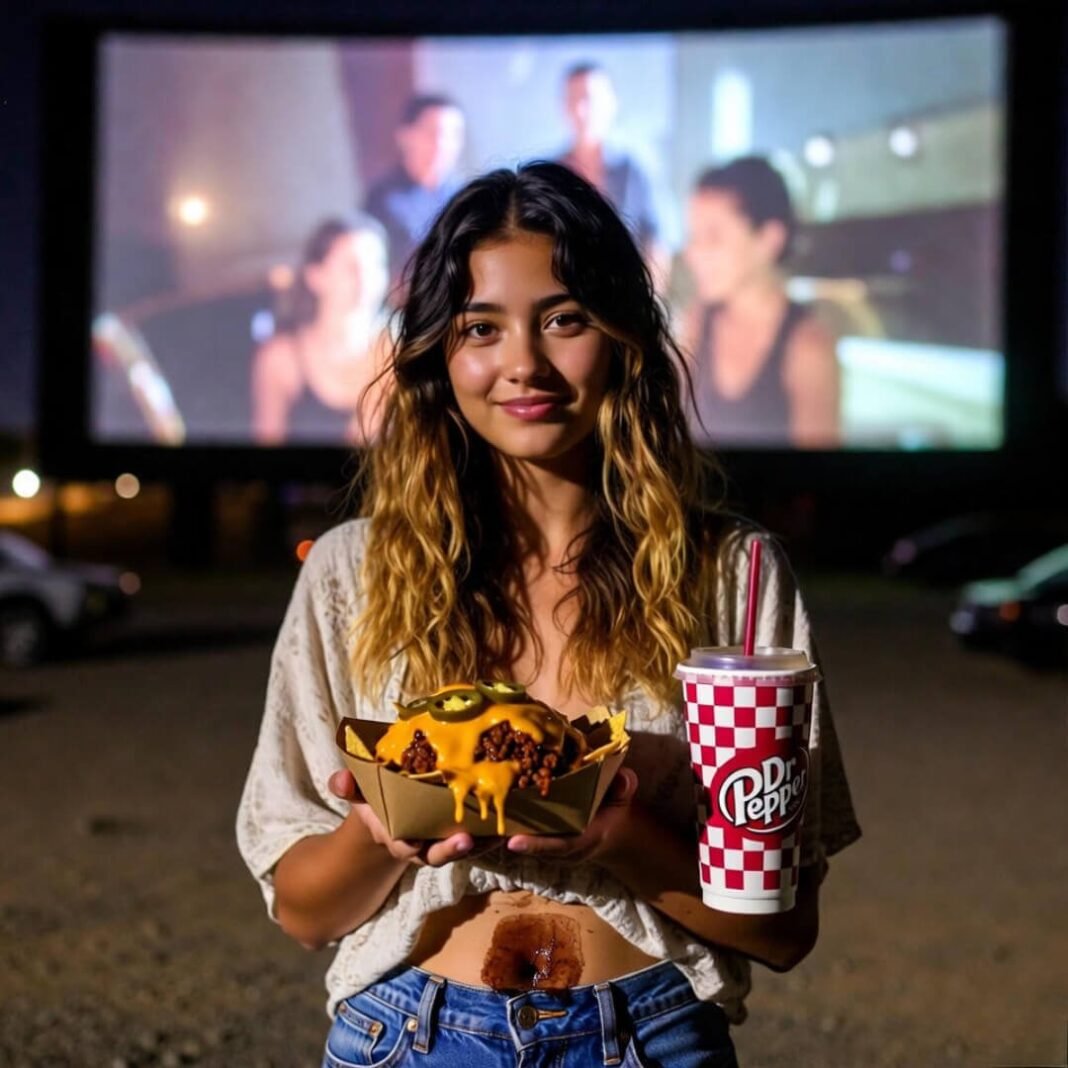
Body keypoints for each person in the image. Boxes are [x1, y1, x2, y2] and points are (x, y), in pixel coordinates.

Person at [237, 162, 860, 1066]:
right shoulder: (355, 574)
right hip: (404, 1040)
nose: (522, 363)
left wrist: (616, 837)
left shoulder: (733, 573)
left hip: (650, 1036)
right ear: (438, 357)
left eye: (563, 319)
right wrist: (380, 829)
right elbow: (304, 911)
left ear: (624, 337)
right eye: (480, 327)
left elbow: (782, 930)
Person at [682, 157, 841, 449]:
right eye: (693, 236)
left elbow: (820, 479)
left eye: (713, 237)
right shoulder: (697, 324)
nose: (693, 253)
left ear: (769, 239)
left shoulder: (808, 348)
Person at [251, 214, 391, 446]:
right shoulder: (280, 358)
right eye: (351, 267)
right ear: (315, 276)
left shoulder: (401, 352)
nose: (366, 279)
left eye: (376, 265)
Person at [554, 62, 670, 287]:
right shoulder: (549, 175)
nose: (581, 110)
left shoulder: (635, 171)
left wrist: (650, 302)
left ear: (611, 103)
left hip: (624, 301)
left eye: (588, 98)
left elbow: (656, 240)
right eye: (573, 99)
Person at [364, 93, 466, 293]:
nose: (442, 144)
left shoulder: (463, 196)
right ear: (405, 136)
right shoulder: (382, 200)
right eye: (432, 133)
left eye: (453, 135)